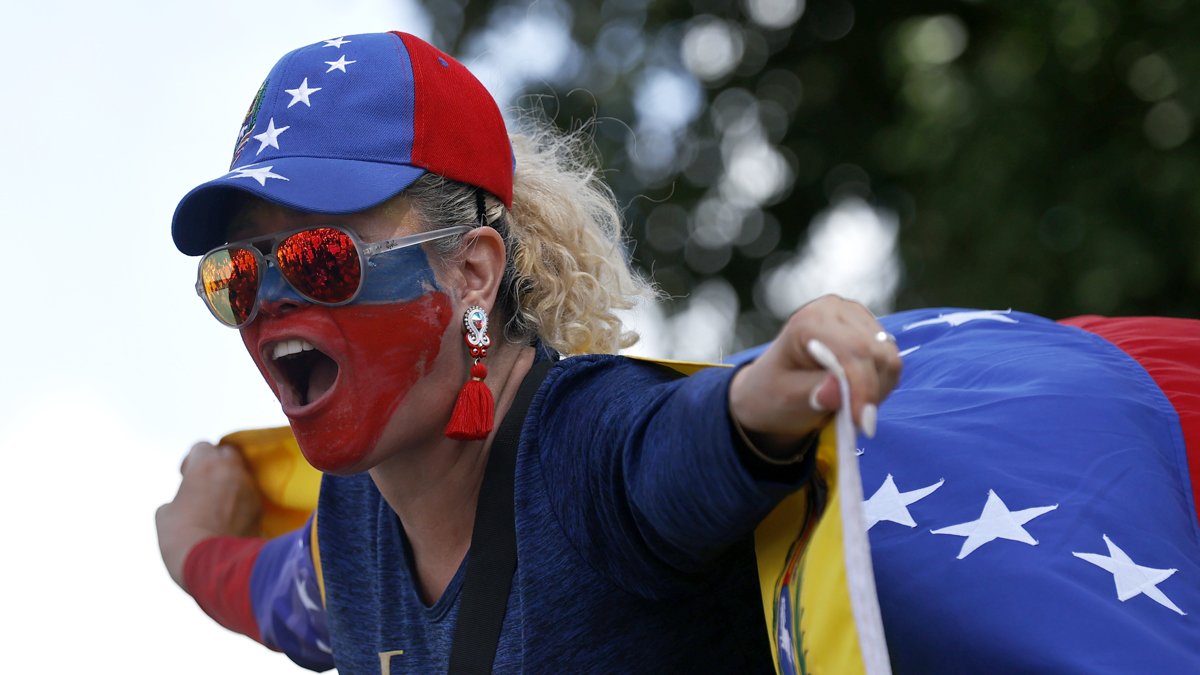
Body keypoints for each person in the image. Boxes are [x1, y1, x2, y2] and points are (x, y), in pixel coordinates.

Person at [156, 31, 900, 673]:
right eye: (239, 273)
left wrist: (770, 392)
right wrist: (188, 542)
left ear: (472, 273)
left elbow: (682, 443)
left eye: (324, 257)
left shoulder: (583, 447)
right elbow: (267, 593)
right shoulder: (351, 530)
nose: (273, 299)